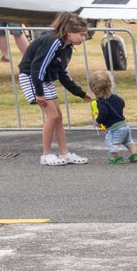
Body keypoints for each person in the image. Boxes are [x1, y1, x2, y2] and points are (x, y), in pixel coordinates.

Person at [17, 14, 93, 166]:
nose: (84, 38)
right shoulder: (53, 42)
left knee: (58, 116)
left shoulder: (66, 48)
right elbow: (37, 67)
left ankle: (65, 153)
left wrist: (81, 93)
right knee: (52, 116)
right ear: (69, 32)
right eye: (82, 34)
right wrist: (39, 93)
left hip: (44, 79)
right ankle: (46, 154)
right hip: (32, 77)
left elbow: (62, 74)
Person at [89, 68, 137, 162]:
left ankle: (117, 158)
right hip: (124, 126)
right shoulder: (115, 97)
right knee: (128, 141)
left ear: (94, 89)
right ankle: (135, 154)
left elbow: (104, 113)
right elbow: (122, 103)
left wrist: (98, 122)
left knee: (111, 143)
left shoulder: (101, 102)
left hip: (114, 129)